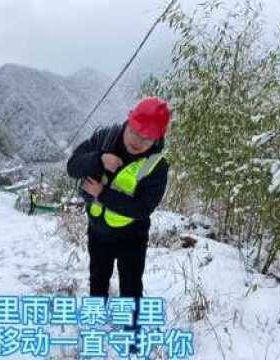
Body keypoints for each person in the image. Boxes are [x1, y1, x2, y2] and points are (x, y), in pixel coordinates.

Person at [66, 96, 171, 352]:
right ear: (128, 121)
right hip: (98, 230)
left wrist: (102, 193)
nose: (137, 141)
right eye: (134, 132)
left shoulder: (156, 166)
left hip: (132, 237)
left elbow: (143, 208)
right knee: (97, 278)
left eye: (146, 138)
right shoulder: (104, 138)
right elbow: (72, 166)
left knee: (131, 285)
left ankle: (133, 337)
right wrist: (99, 160)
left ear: (156, 138)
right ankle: (94, 323)